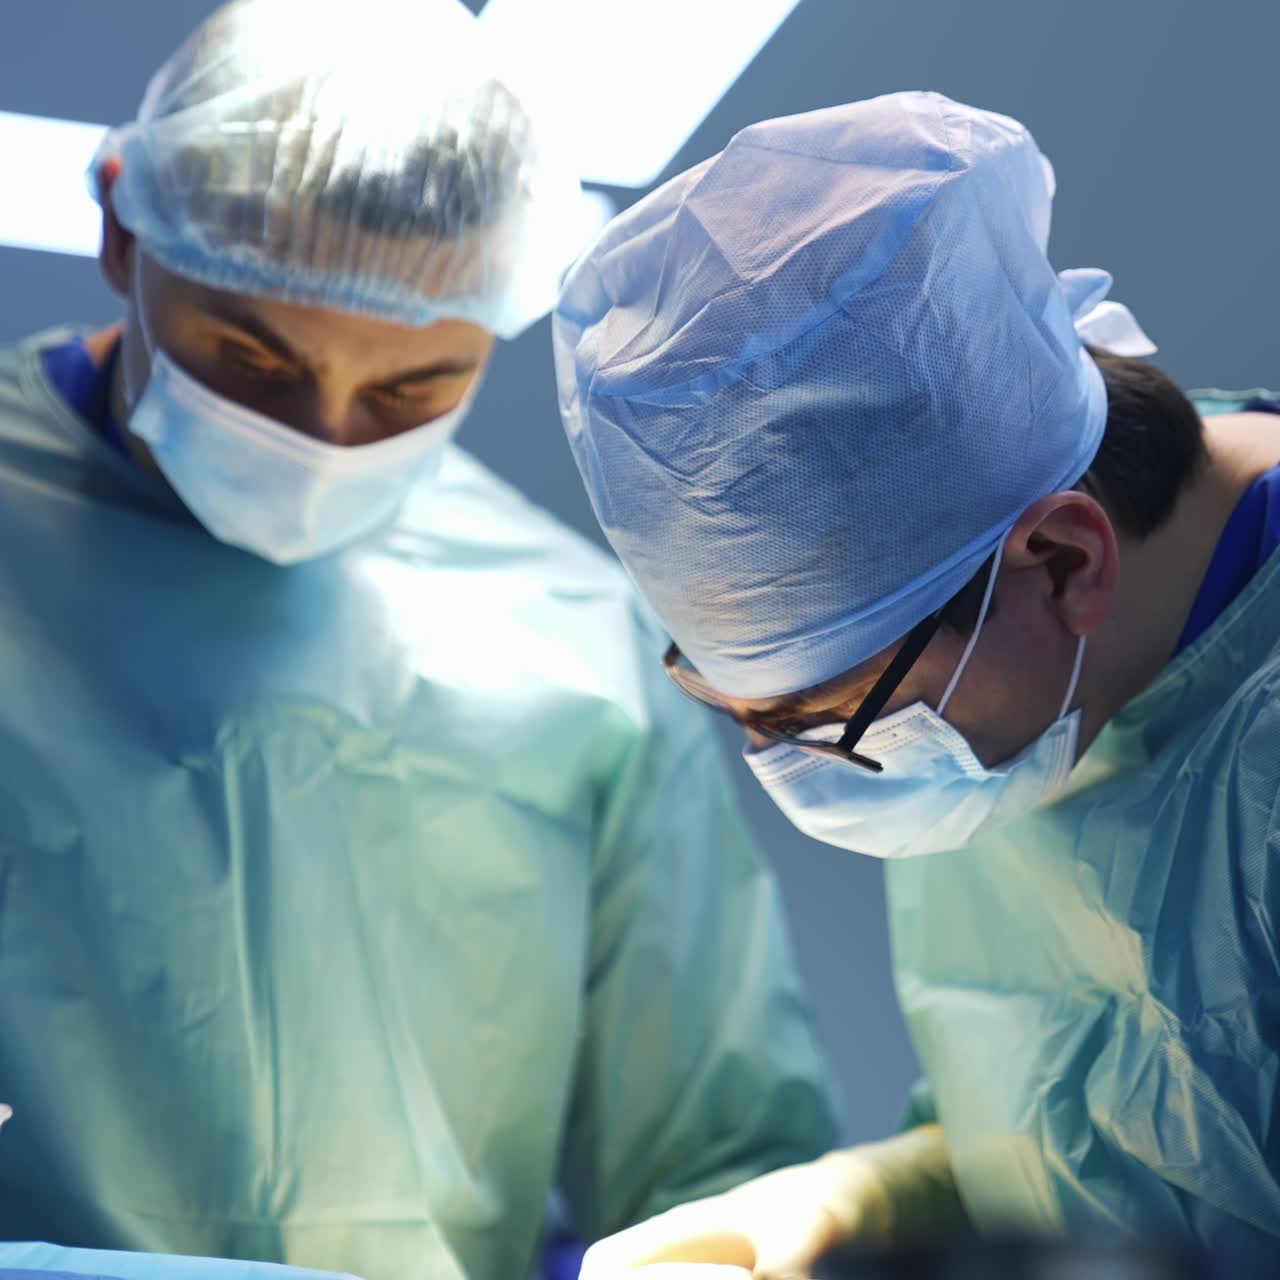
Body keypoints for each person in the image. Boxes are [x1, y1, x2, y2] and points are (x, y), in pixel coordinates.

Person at [0, 3, 841, 1279]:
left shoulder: (572, 641)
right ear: (121, 224)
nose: (324, 435)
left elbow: (717, 1176)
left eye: (410, 389)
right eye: (250, 357)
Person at [553, 90, 1280, 1275]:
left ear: (1060, 561)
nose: (809, 773)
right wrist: (848, 1205)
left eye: (829, 724)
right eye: (748, 718)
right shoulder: (1028, 678)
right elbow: (1080, 1124)